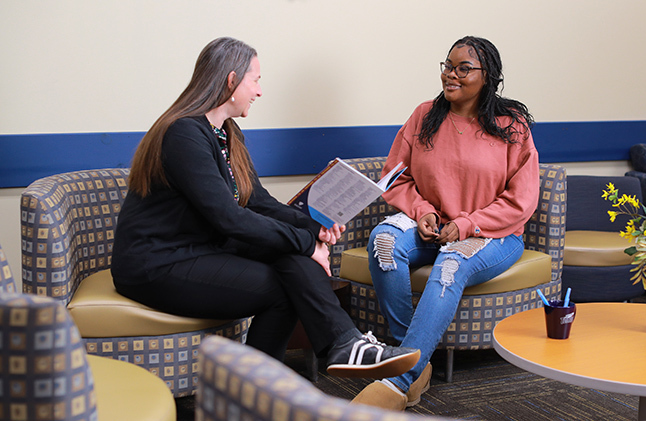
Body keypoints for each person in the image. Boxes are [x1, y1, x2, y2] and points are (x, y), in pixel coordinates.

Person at [111, 37, 419, 379]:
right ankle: (257, 392)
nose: (259, 91)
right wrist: (306, 244)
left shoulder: (227, 133)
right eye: (255, 80)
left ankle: (344, 346)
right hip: (157, 263)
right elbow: (228, 218)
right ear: (231, 80)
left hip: (200, 249)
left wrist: (313, 230)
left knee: (289, 262)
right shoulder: (183, 134)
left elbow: (257, 201)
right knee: (285, 285)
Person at [352, 36, 539, 409]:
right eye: (448, 66)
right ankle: (415, 361)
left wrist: (468, 223)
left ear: (488, 77)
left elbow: (521, 200)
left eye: (463, 69)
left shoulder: (510, 125)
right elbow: (395, 176)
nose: (451, 75)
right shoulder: (425, 115)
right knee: (384, 241)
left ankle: (398, 378)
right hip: (435, 226)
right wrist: (422, 210)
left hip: (493, 234)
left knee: (451, 263)